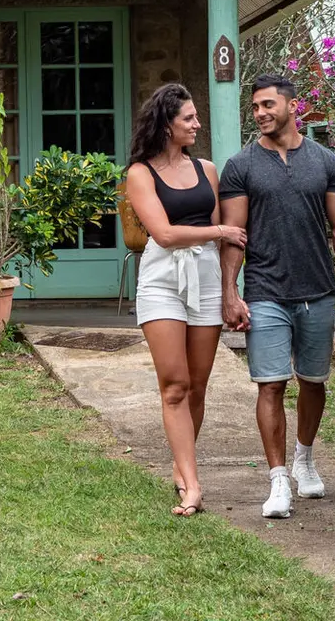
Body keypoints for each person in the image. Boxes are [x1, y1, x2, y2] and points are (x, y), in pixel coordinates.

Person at [218, 73, 335, 520]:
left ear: (291, 106)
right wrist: (230, 292)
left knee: (313, 381)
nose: (259, 113)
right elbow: (235, 236)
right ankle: (278, 478)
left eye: (267, 105)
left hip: (318, 289)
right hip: (265, 290)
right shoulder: (240, 166)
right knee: (271, 382)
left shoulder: (325, 161)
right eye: (255, 107)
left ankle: (305, 458)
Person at [122, 83, 248, 518]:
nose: (197, 124)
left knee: (197, 385)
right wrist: (219, 232)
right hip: (162, 277)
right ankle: (192, 485)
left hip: (207, 278)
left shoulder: (207, 170)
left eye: (196, 117)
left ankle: (182, 463)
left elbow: (221, 238)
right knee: (174, 385)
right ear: (166, 124)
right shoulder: (141, 173)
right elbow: (165, 234)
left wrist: (231, 293)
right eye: (189, 118)